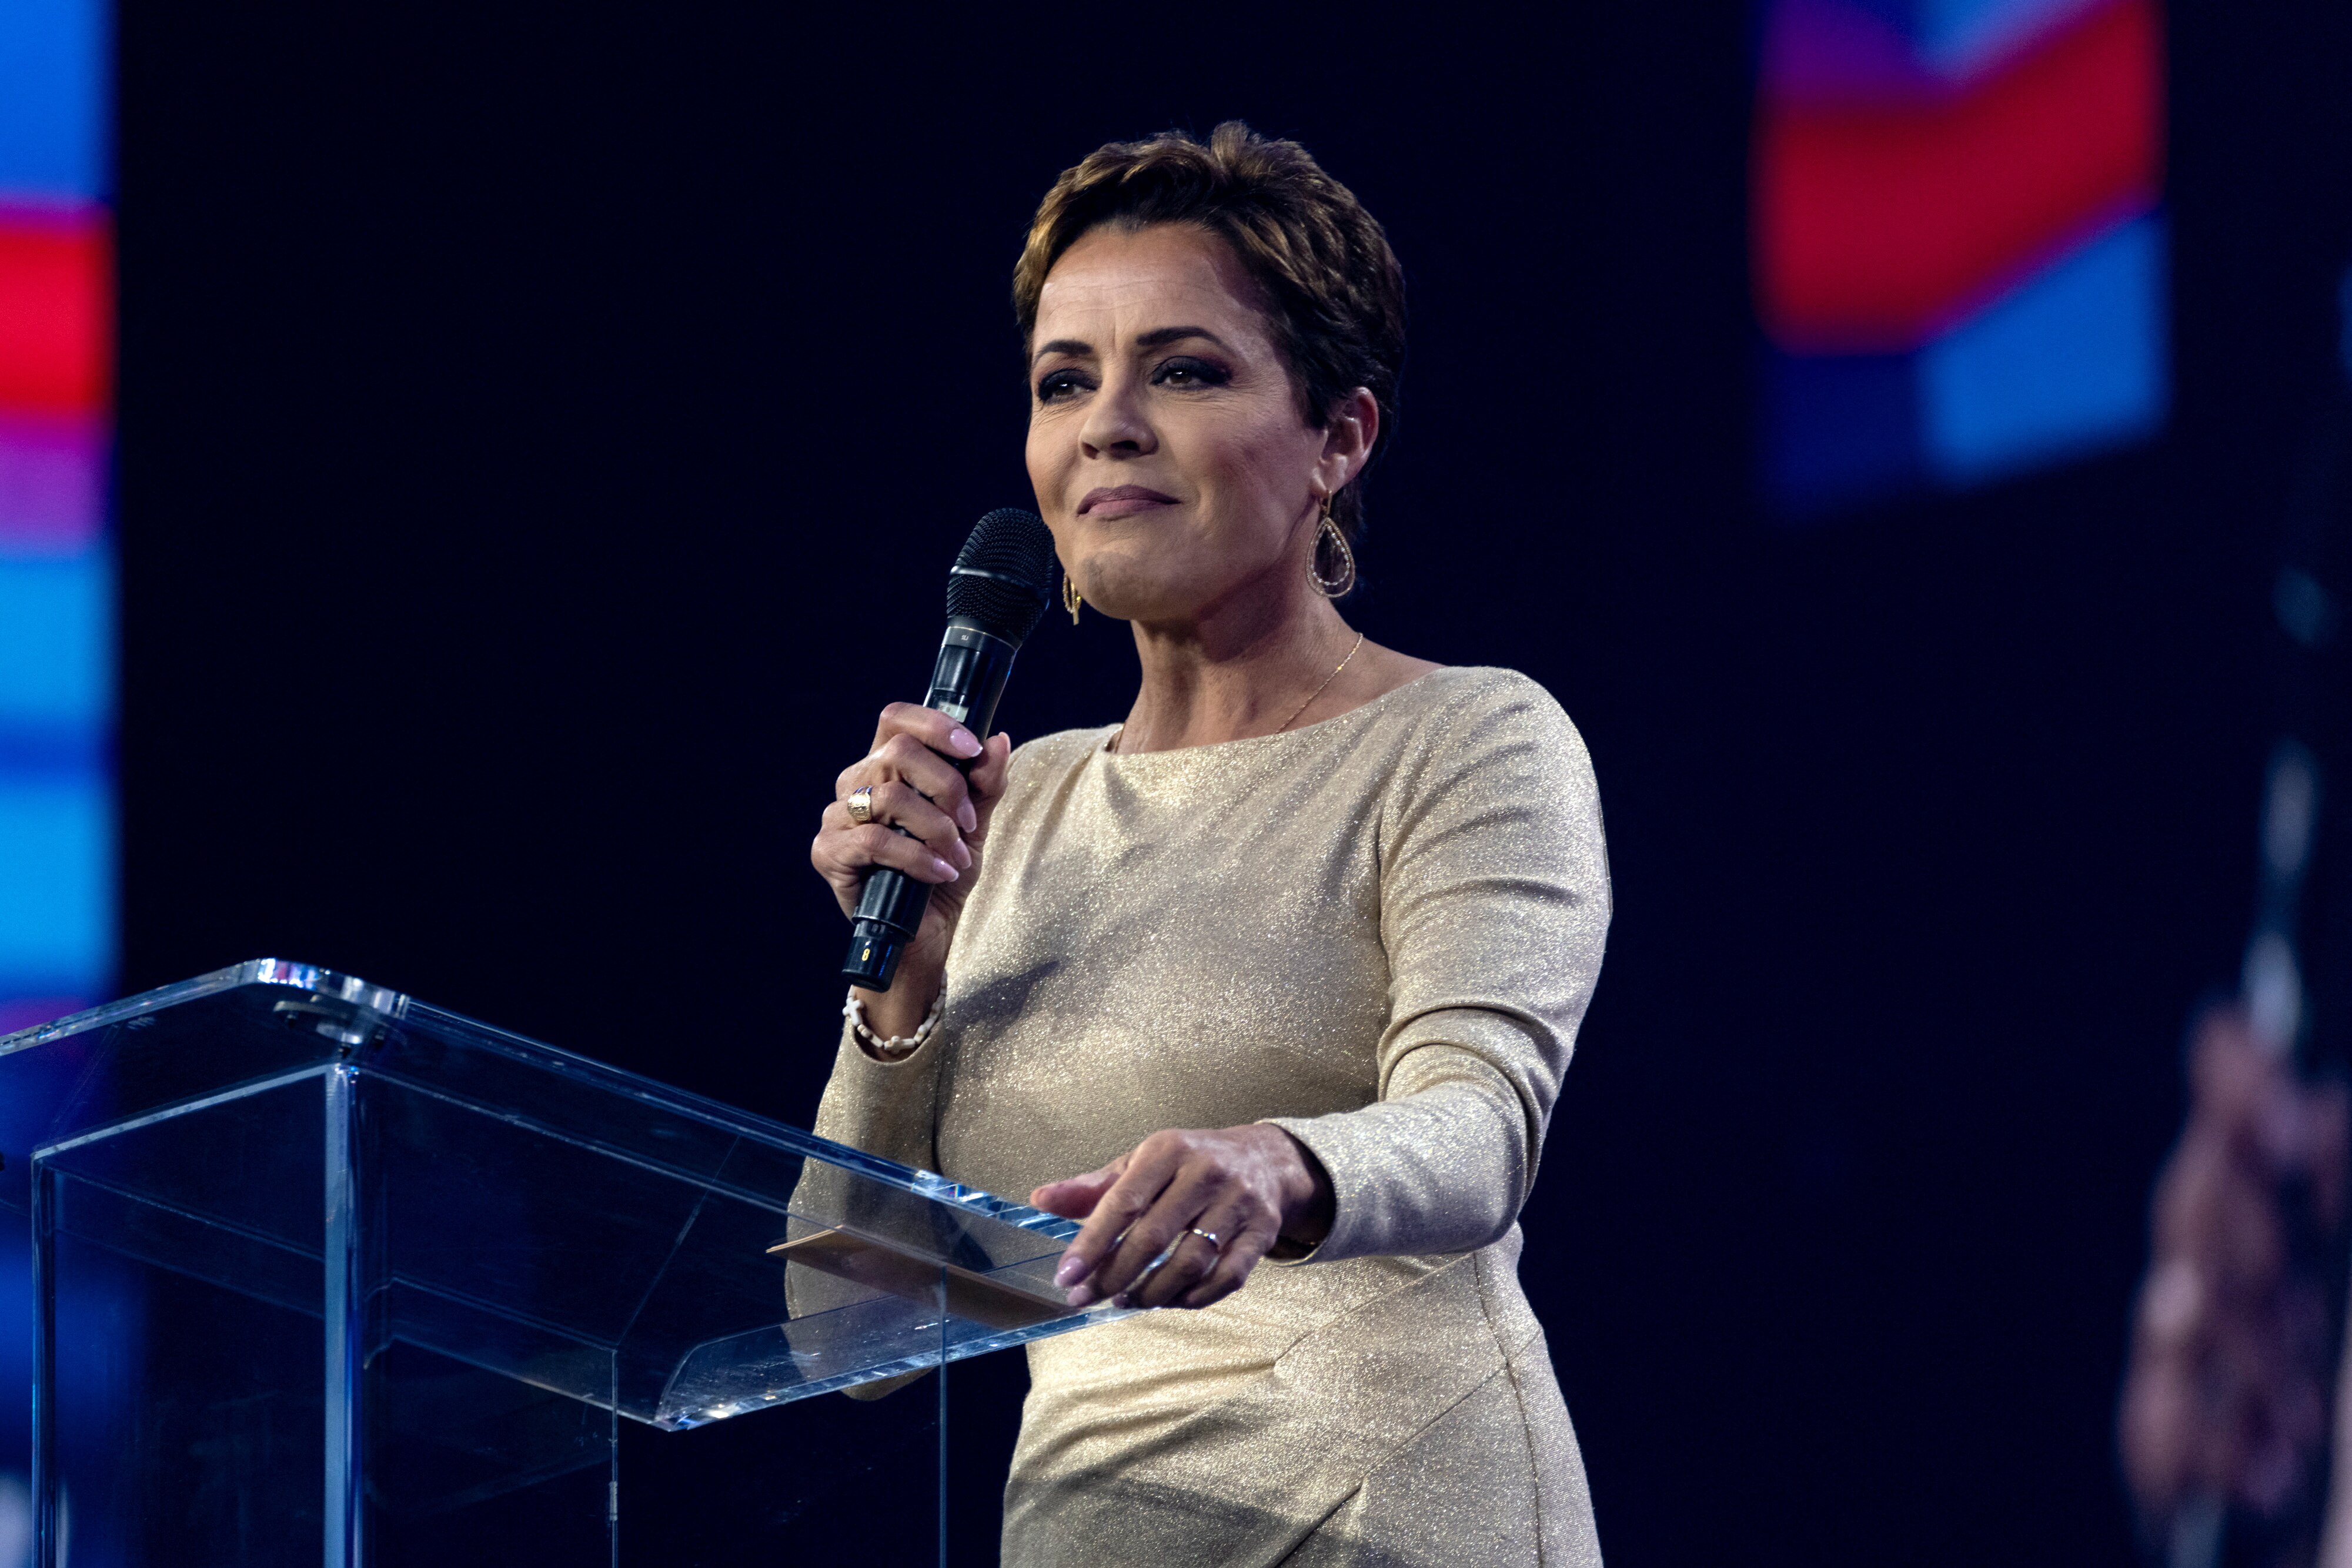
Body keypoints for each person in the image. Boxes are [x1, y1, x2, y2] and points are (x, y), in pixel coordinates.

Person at [808, 123, 1612, 1566]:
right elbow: (845, 1326)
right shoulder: (1011, 803)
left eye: (1182, 370)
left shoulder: (1467, 737)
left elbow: (1483, 1128)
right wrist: (901, 989)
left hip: (1393, 1515)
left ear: (1338, 439)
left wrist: (1277, 1162)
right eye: (1066, 382)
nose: (1107, 423)